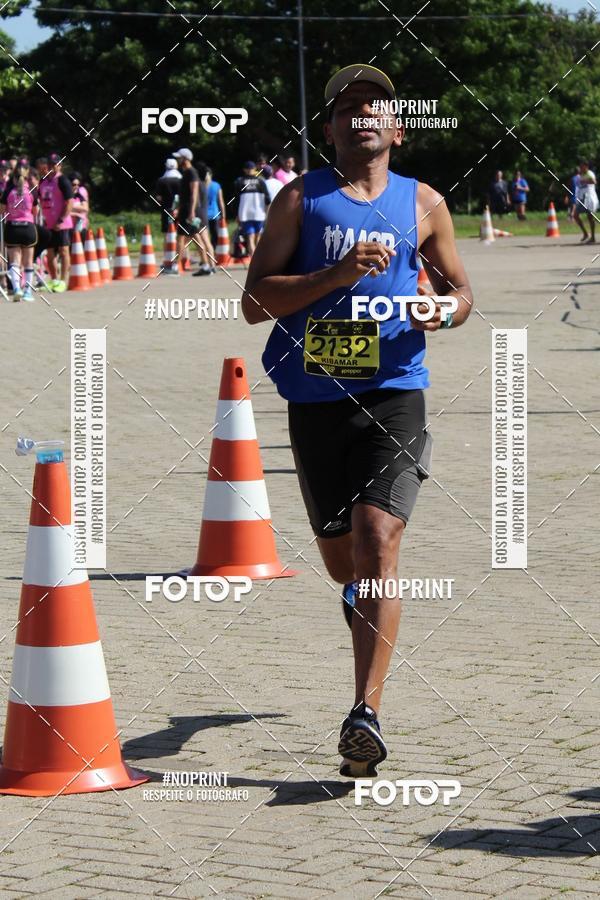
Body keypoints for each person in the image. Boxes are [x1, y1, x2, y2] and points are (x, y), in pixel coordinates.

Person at [242, 64, 472, 778]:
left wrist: (445, 309)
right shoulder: (298, 201)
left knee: (379, 540)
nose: (362, 115)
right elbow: (255, 303)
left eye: (376, 107)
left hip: (396, 392)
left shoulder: (424, 202)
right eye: (347, 107)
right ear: (330, 129)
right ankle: (367, 623)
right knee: (346, 564)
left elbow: (462, 290)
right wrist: (335, 277)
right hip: (315, 401)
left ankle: (363, 715)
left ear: (398, 129)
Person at [1, 159, 39, 301]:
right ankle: (28, 292)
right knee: (28, 262)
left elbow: (2, 210)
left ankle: (16, 288)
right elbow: (35, 212)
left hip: (12, 228)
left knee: (14, 261)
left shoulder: (8, 191)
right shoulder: (32, 191)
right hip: (28, 228)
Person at [172, 148, 215, 276]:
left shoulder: (191, 173)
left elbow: (194, 193)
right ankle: (206, 265)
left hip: (189, 211)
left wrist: (191, 211)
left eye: (179, 158)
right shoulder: (187, 173)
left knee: (181, 238)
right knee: (196, 238)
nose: (177, 160)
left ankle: (174, 267)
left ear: (185, 159)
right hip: (186, 210)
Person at [37, 152, 73, 291]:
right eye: (51, 164)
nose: (53, 166)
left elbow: (69, 202)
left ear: (60, 165)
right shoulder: (43, 180)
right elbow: (40, 199)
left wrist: (61, 219)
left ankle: (63, 281)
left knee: (63, 250)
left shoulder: (62, 180)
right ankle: (54, 279)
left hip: (61, 223)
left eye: (56, 164)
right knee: (50, 251)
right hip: (49, 222)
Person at [234, 161, 271, 257]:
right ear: (255, 169)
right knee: (257, 237)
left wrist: (237, 215)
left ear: (244, 170)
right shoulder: (261, 182)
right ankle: (258, 258)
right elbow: (268, 200)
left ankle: (254, 259)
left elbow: (236, 201)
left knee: (250, 237)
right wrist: (266, 214)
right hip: (259, 214)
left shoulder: (239, 182)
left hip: (245, 214)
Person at [155, 156, 181, 237]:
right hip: (180, 209)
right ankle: (182, 249)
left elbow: (158, 197)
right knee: (181, 234)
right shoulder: (181, 179)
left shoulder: (161, 181)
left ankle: (168, 249)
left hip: (166, 209)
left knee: (167, 233)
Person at [574, 160, 598, 244]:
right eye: (580, 166)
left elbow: (594, 182)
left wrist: (585, 181)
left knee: (590, 217)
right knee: (575, 215)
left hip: (589, 198)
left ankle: (593, 237)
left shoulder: (589, 173)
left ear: (586, 167)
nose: (580, 168)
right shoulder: (580, 175)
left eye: (582, 166)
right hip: (582, 198)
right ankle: (585, 233)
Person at [205, 166, 226, 249]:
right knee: (207, 236)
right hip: (206, 215)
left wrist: (223, 214)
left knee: (215, 235)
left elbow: (221, 201)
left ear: (210, 175)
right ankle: (210, 253)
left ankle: (213, 252)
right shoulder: (201, 185)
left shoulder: (216, 185)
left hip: (214, 214)